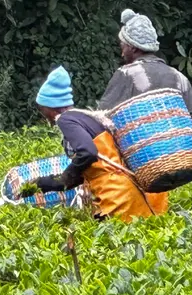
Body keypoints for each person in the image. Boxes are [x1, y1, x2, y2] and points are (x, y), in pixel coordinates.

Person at [28, 66, 168, 222]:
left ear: (50, 107)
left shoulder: (65, 120)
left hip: (117, 197)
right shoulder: (85, 117)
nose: (44, 116)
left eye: (42, 109)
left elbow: (88, 153)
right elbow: (92, 167)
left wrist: (63, 178)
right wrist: (45, 184)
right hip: (134, 192)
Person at [98, 9, 192, 135]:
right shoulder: (178, 77)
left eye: (122, 46)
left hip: (139, 153)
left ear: (132, 47)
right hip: (177, 153)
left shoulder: (126, 74)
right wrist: (173, 137)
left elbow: (101, 120)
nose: (122, 53)